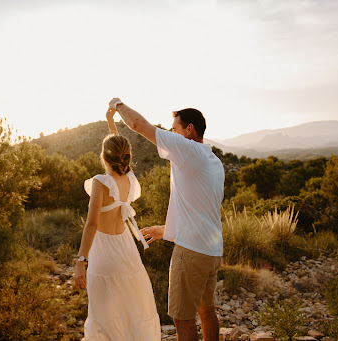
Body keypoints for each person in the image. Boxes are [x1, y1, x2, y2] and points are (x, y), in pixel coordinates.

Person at [108, 98, 225, 341]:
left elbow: (138, 124)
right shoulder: (214, 161)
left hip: (191, 253)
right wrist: (167, 230)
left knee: (182, 318)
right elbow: (201, 208)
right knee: (206, 311)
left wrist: (117, 104)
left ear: (189, 129)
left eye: (175, 129)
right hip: (211, 251)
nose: (172, 133)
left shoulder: (187, 149)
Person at [73, 108, 161, 341]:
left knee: (103, 316)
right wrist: (111, 123)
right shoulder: (129, 179)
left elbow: (91, 225)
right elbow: (117, 146)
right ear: (126, 157)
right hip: (126, 250)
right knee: (128, 310)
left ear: (104, 156)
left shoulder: (101, 183)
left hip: (103, 253)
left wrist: (81, 261)